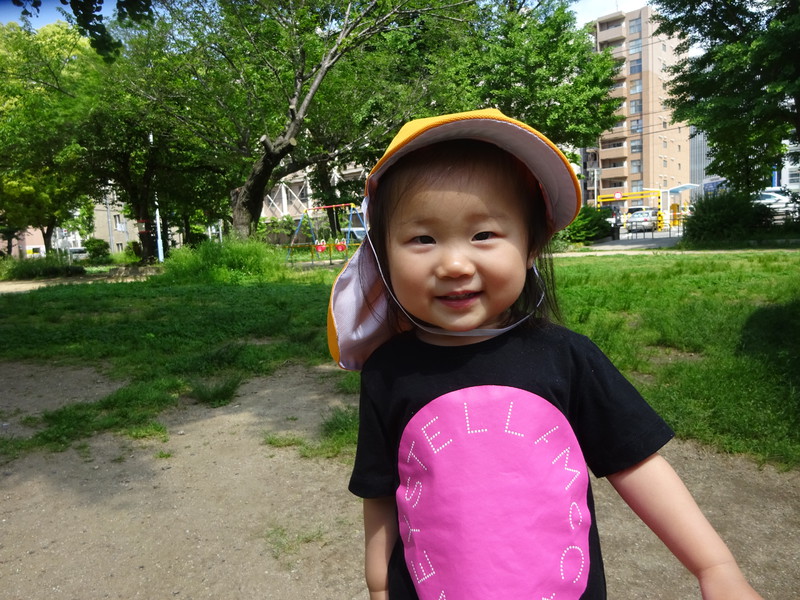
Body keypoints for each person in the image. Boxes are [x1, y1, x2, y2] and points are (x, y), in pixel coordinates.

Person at [327, 109, 762, 600]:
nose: (454, 264)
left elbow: (636, 463)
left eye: (483, 234)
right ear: (382, 256)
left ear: (531, 244)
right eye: (422, 239)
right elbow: (381, 490)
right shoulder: (388, 372)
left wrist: (714, 566)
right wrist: (379, 585)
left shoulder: (567, 359)